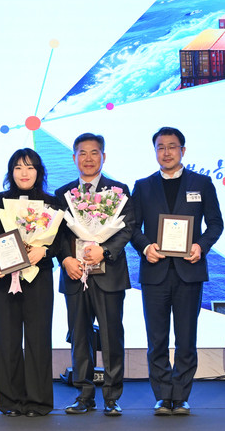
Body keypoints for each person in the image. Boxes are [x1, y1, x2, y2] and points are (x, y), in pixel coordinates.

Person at [130, 127, 223, 416]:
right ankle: (162, 396)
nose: (166, 152)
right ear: (155, 151)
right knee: (156, 339)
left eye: (172, 146)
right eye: (161, 147)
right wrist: (145, 247)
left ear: (183, 150)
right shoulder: (143, 186)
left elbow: (216, 224)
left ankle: (180, 396)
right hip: (154, 272)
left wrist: (200, 246)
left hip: (189, 272)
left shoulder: (202, 183)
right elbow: (131, 226)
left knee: (186, 338)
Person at [54, 132, 134, 417]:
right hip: (75, 275)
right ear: (74, 157)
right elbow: (56, 234)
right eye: (82, 153)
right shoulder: (62, 194)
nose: (88, 158)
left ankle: (112, 397)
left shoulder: (119, 190)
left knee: (112, 337)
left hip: (109, 274)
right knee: (79, 337)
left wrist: (105, 251)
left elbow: (128, 227)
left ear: (103, 156)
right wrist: (65, 259)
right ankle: (84, 395)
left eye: (94, 152)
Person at [0, 148, 61, 417]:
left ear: (39, 171)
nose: (24, 173)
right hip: (5, 278)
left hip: (39, 278)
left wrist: (45, 251)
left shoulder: (53, 203)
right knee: (7, 340)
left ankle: (38, 402)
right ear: (11, 172)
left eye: (30, 167)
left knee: (39, 340)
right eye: (18, 167)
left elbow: (62, 242)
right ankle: (10, 401)